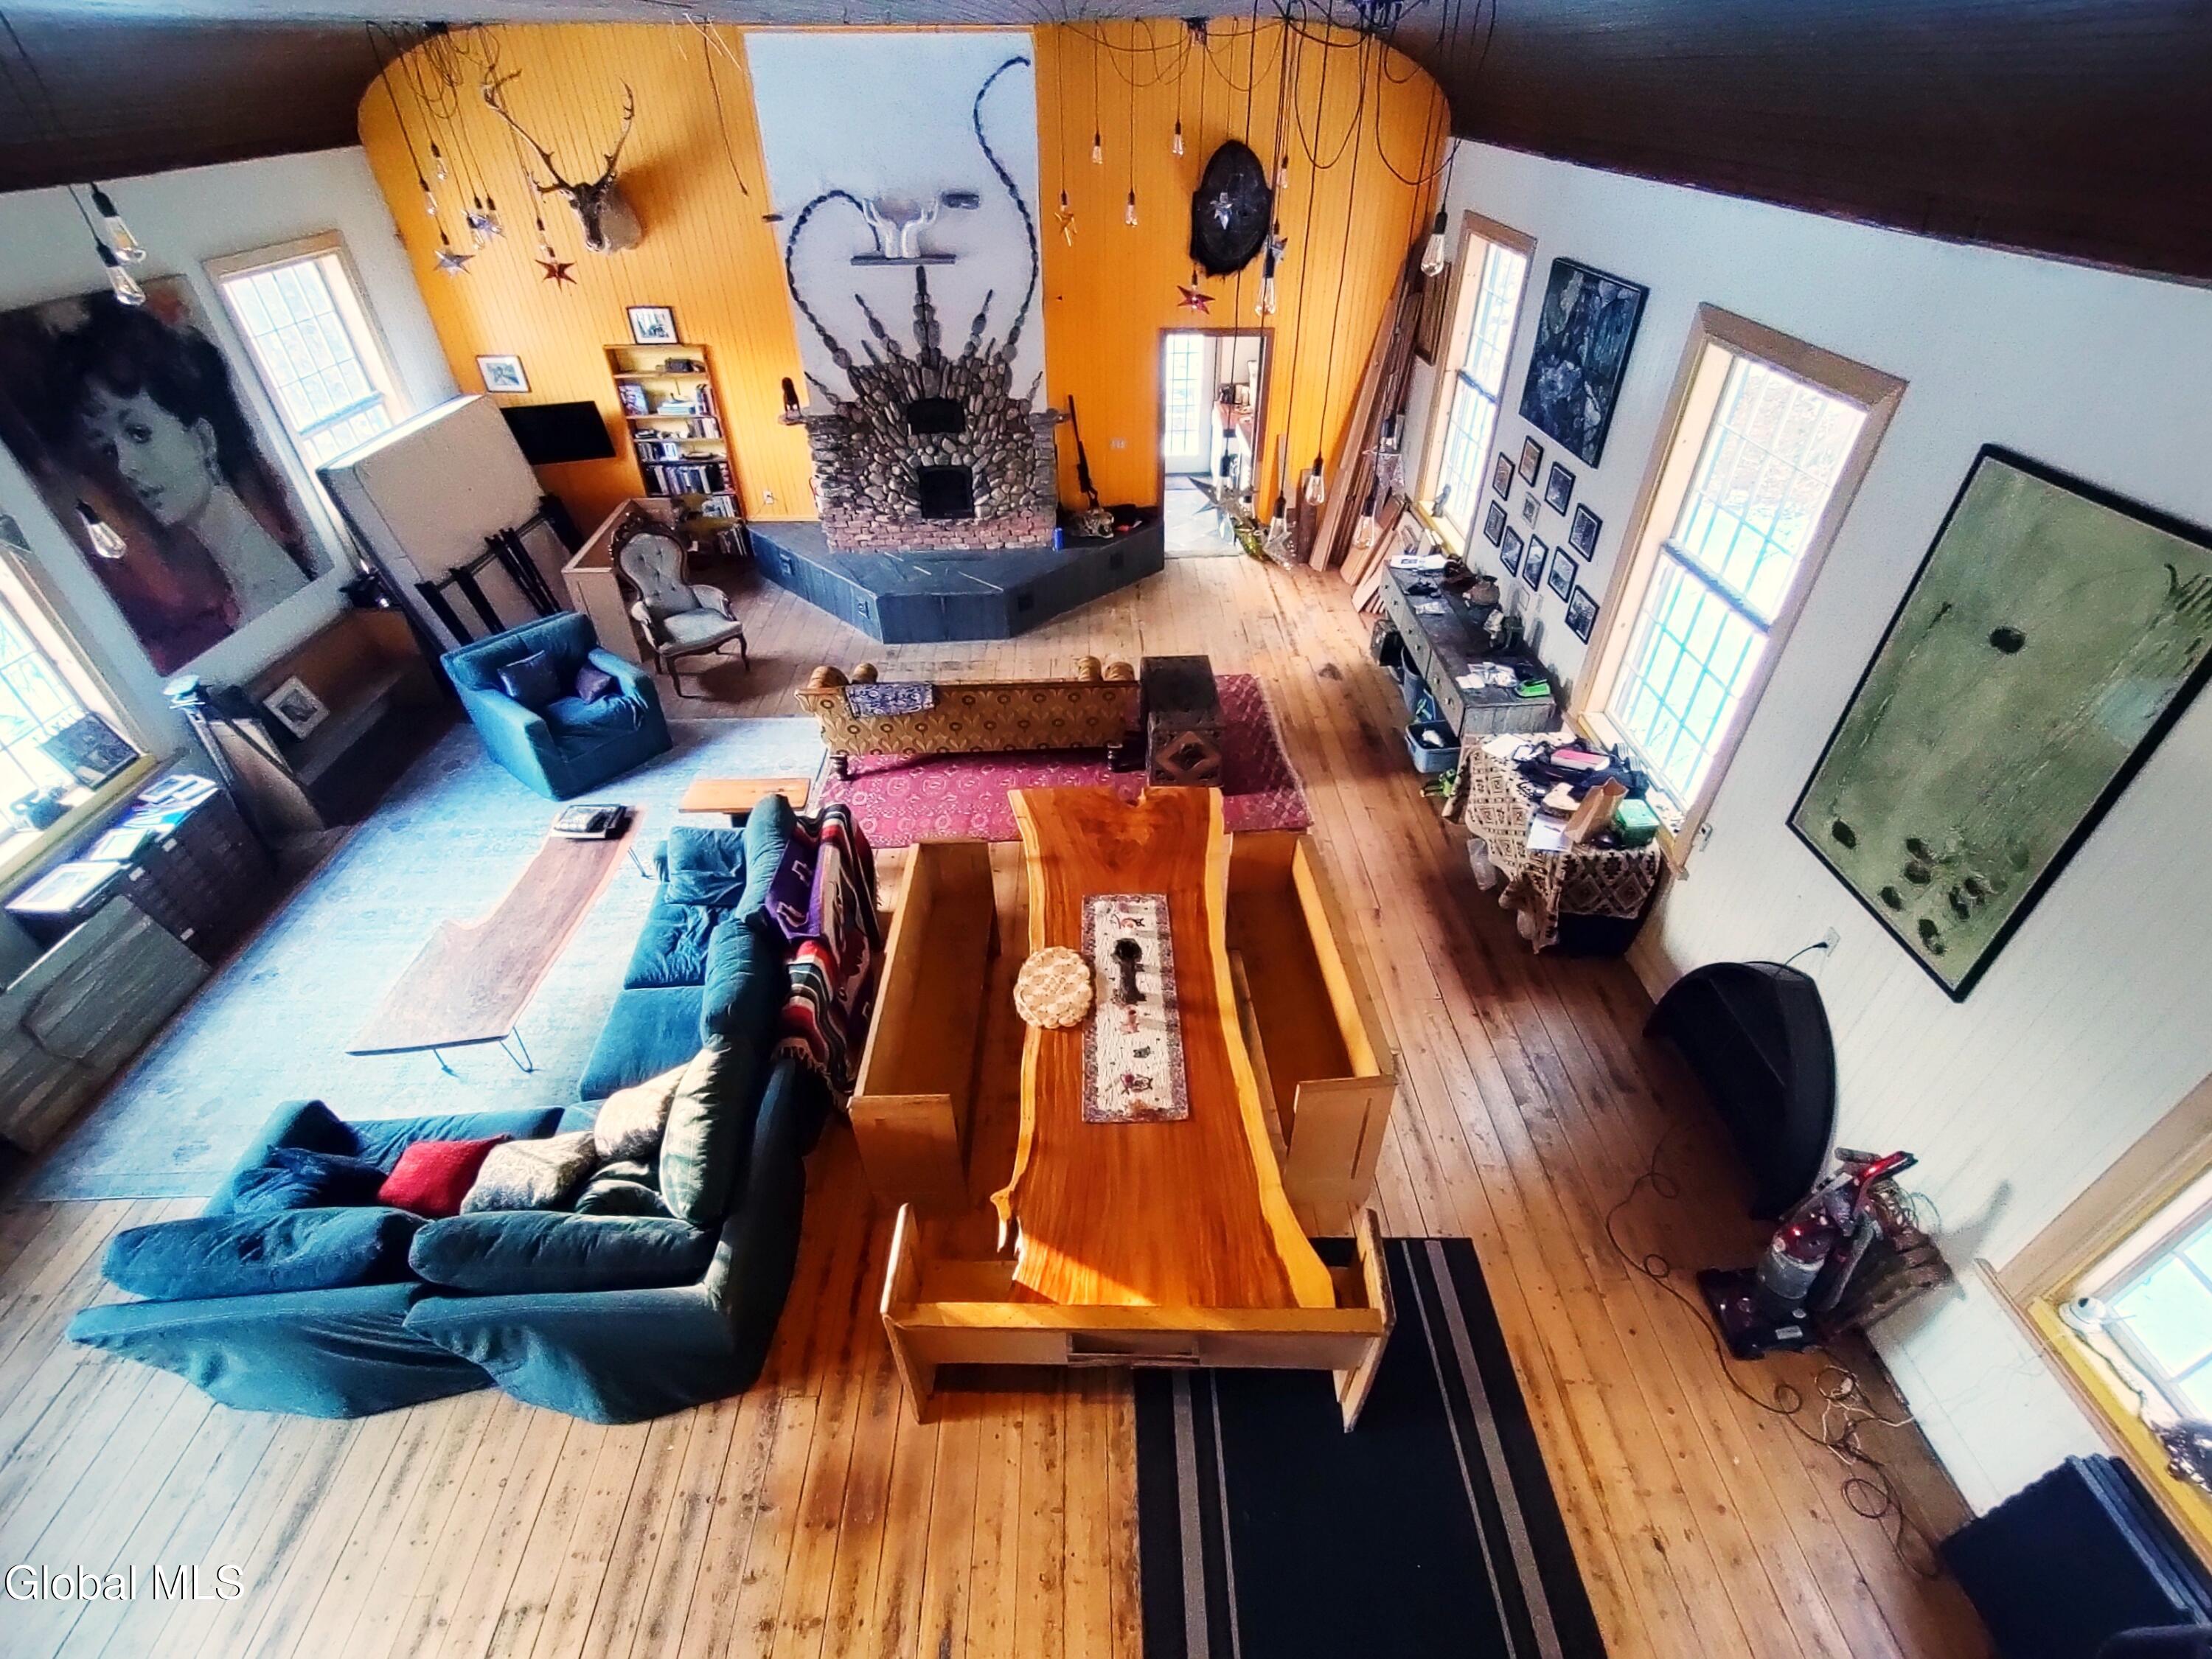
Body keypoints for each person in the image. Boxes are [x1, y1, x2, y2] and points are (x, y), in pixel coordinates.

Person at [58, 296, 319, 629]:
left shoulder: (271, 585)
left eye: (139, 433)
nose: (126, 468)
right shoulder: (238, 596)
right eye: (109, 450)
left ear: (203, 439)